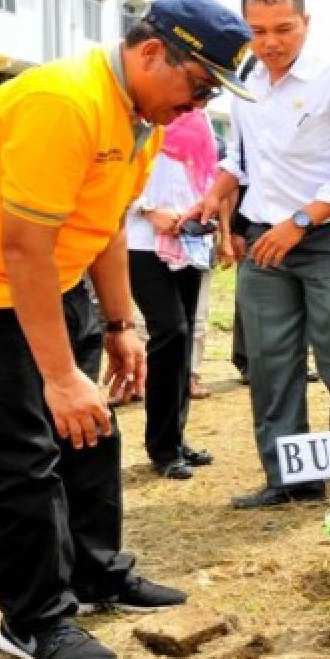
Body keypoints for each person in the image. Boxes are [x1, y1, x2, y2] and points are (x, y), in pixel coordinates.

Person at [0, 0, 254, 659]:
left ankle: (96, 575)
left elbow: (105, 223)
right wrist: (58, 376)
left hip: (45, 279)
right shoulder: (67, 101)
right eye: (199, 84)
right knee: (22, 452)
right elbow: (21, 247)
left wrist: (121, 324)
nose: (201, 104)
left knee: (91, 427)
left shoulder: (138, 117)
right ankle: (34, 620)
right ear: (152, 53)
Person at [187, 0, 330, 509]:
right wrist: (214, 193)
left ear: (306, 23)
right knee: (272, 365)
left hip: (329, 238)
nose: (270, 42)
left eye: (283, 29)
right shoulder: (245, 81)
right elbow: (243, 159)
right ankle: (290, 478)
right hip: (263, 243)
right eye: (258, 31)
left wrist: (299, 221)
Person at [127, 109, 217, 479]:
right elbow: (116, 178)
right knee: (170, 331)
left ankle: (176, 439)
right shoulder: (140, 116)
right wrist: (147, 210)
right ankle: (161, 447)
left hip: (191, 239)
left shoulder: (201, 118)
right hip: (142, 241)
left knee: (182, 340)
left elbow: (210, 175)